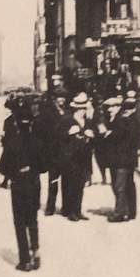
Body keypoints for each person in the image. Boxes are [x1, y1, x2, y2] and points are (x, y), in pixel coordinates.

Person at [0, 95, 45, 272]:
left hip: (18, 185)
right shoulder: (38, 142)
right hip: (34, 183)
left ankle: (24, 259)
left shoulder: (12, 143)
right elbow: (44, 166)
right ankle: (36, 252)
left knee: (19, 222)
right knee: (32, 219)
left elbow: (2, 168)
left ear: (17, 123)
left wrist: (15, 173)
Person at [101, 96, 140, 222]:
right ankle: (131, 211)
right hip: (127, 158)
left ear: (119, 107)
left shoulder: (122, 120)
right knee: (128, 184)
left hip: (120, 158)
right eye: (108, 107)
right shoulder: (127, 118)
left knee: (119, 185)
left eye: (113, 107)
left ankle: (119, 213)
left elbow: (121, 136)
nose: (110, 110)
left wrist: (108, 134)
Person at [61, 93, 94, 221]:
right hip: (70, 158)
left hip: (84, 157)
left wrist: (91, 136)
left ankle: (78, 210)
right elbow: (58, 138)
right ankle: (70, 211)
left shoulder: (88, 122)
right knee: (70, 184)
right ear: (76, 109)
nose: (83, 111)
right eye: (81, 109)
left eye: (85, 109)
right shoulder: (67, 120)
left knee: (80, 184)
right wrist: (68, 133)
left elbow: (92, 139)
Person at [37, 93, 66, 215]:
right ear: (54, 99)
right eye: (60, 98)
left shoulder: (67, 110)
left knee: (66, 181)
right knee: (53, 180)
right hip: (53, 151)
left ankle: (66, 207)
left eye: (63, 97)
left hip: (65, 151)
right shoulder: (48, 111)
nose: (62, 100)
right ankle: (50, 207)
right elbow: (44, 131)